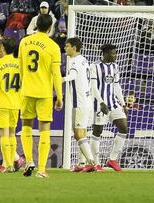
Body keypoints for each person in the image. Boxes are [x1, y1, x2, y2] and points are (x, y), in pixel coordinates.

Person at [18, 14, 63, 178]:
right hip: (44, 93)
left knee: (26, 126)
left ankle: (29, 161)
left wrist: (24, 86)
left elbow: (21, 68)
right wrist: (59, 96)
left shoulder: (24, 41)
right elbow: (56, 73)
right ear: (51, 27)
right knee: (44, 129)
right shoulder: (53, 47)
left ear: (35, 24)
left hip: (27, 91)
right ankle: (42, 169)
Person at [89, 44, 129, 172]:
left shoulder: (115, 67)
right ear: (105, 53)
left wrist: (123, 104)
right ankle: (96, 163)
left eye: (115, 53)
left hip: (113, 103)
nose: (115, 55)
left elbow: (117, 86)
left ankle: (112, 159)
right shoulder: (94, 66)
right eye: (113, 53)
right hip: (100, 104)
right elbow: (93, 87)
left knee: (123, 128)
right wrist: (101, 102)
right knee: (97, 132)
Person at [0, 37, 21, 173]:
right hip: (15, 104)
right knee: (12, 134)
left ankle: (6, 165)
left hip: (2, 104)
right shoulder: (19, 63)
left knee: (3, 135)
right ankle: (11, 163)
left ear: (3, 48)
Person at [62, 37, 96, 172]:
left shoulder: (75, 61)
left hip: (80, 103)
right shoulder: (84, 60)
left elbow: (72, 76)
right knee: (83, 133)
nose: (65, 48)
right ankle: (81, 164)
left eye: (67, 46)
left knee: (78, 133)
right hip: (87, 102)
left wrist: (60, 79)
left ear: (74, 48)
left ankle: (92, 162)